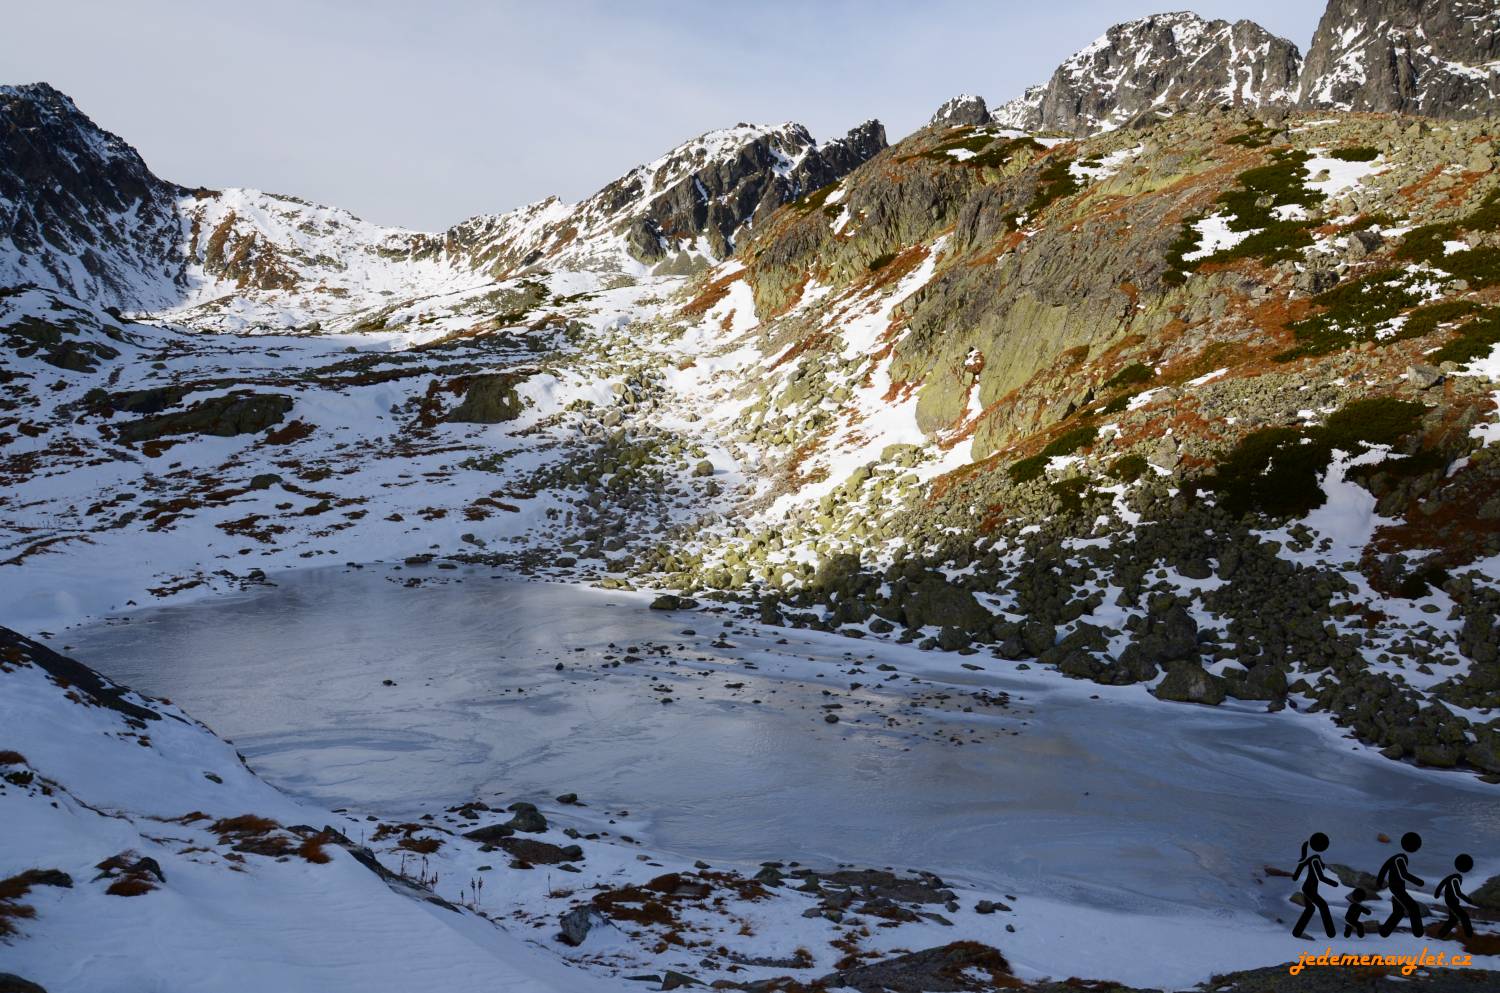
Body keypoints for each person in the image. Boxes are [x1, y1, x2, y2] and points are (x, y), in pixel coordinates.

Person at [1378, 832, 1426, 938]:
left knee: (1399, 912)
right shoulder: (1401, 858)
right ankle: (1418, 932)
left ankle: (1384, 932)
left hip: (1394, 887)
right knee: (1413, 907)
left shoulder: (1396, 857)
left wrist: (1379, 882)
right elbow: (1403, 874)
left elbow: (1384, 867)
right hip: (1397, 888)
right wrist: (1418, 882)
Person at [1293, 832, 1339, 938]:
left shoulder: (1313, 858)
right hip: (1309, 889)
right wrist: (1334, 883)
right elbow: (1320, 877)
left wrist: (1295, 876)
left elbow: (1301, 865)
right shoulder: (1315, 860)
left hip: (1309, 888)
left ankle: (1297, 932)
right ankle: (1331, 933)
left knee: (1310, 909)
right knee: (1323, 906)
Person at [1435, 854, 1478, 939]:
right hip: (1451, 901)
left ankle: (1441, 935)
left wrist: (1437, 894)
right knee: (1464, 916)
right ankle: (1469, 935)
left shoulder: (1452, 877)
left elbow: (1442, 883)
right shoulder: (1456, 879)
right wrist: (1468, 900)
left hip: (1450, 900)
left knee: (1453, 919)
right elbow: (1458, 893)